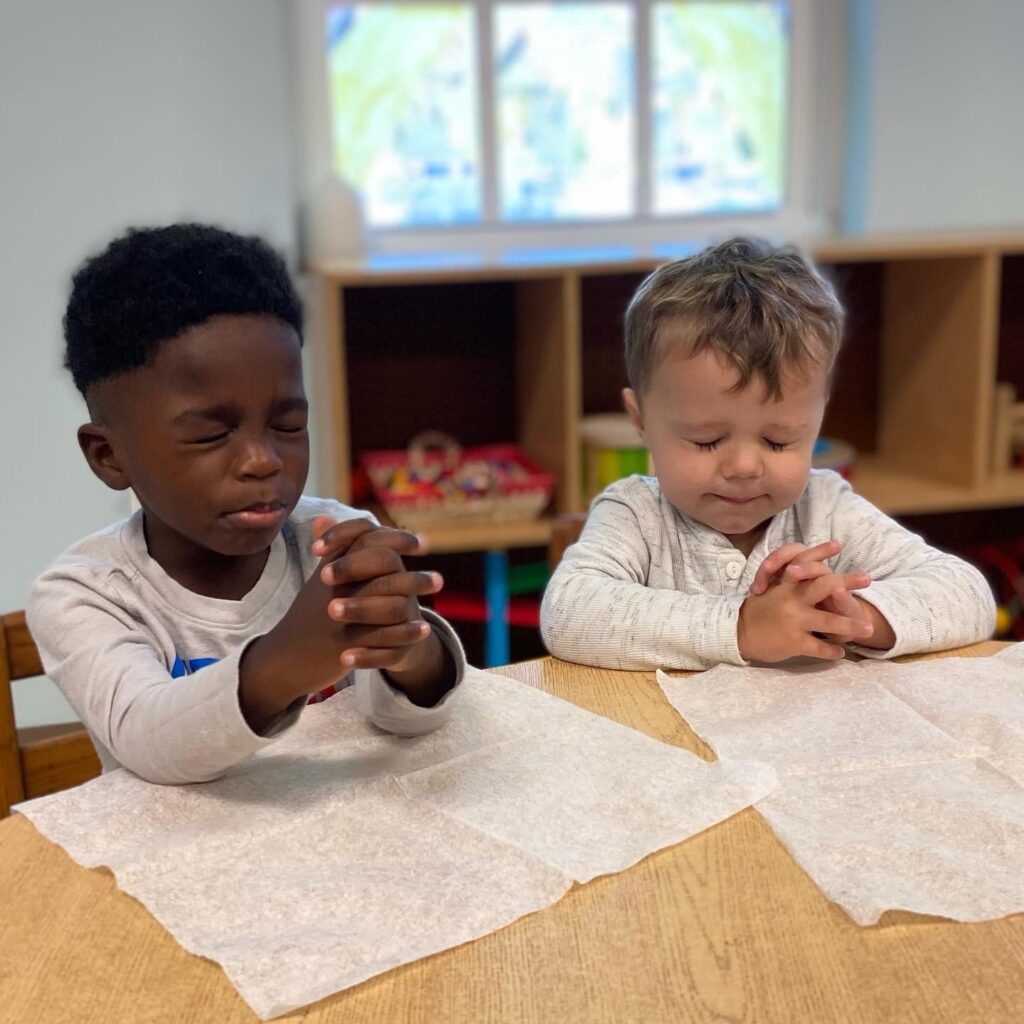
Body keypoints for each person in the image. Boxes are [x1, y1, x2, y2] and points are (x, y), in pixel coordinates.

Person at [28, 223, 465, 784]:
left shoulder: (336, 539)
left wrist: (410, 654)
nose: (262, 460)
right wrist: (281, 665)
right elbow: (147, 742)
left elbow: (403, 724)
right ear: (110, 456)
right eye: (211, 435)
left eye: (288, 424)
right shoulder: (84, 594)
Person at [541, 237, 995, 670]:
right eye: (705, 440)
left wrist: (854, 616)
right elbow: (569, 613)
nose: (743, 466)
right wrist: (743, 627)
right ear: (640, 421)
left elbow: (969, 595)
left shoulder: (826, 509)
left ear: (816, 421)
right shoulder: (636, 516)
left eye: (779, 441)